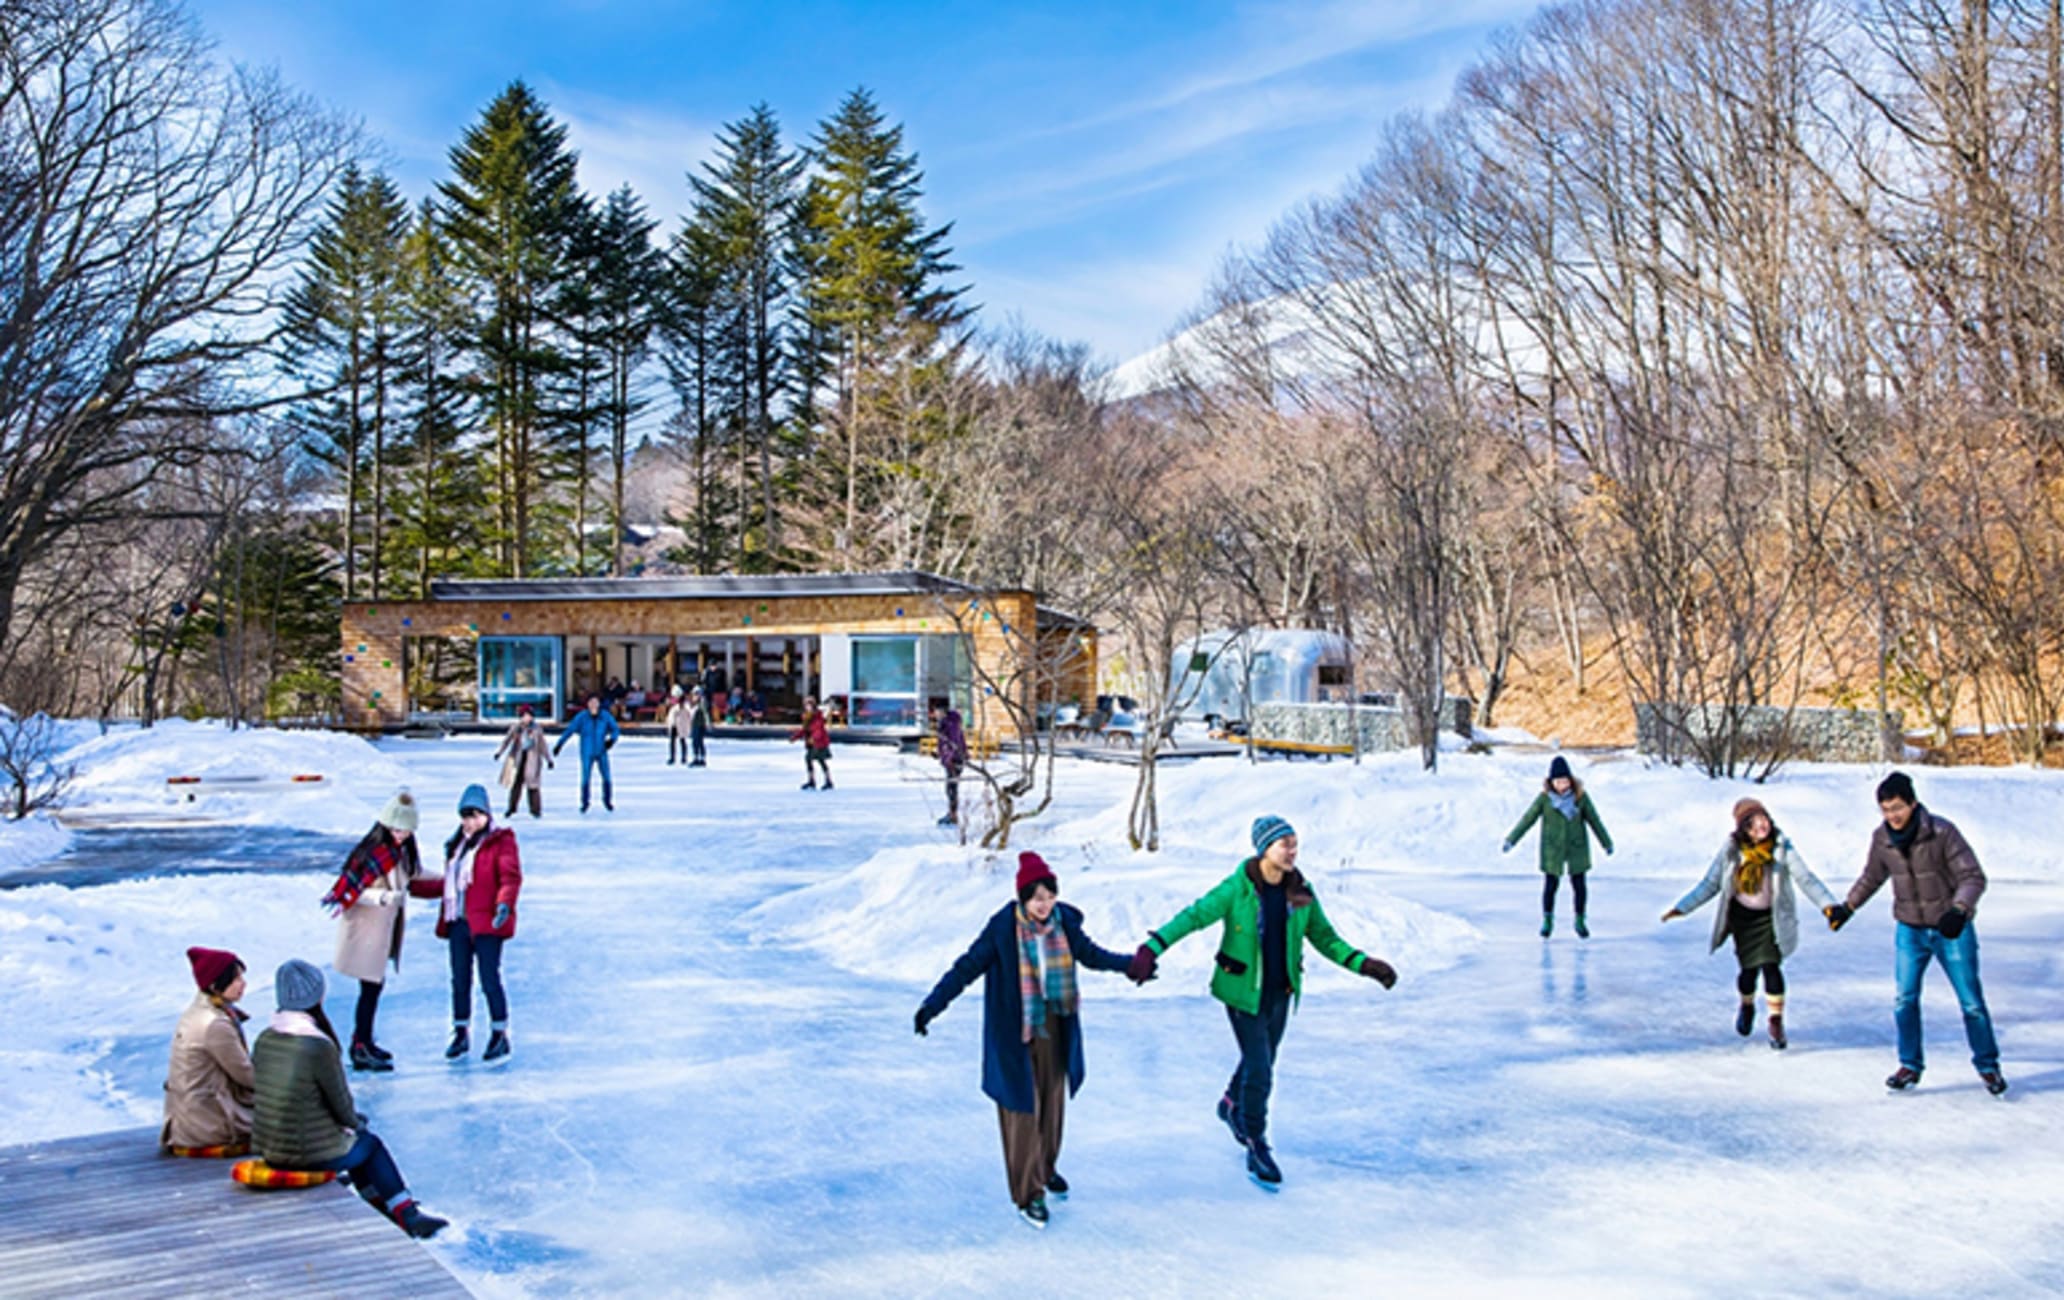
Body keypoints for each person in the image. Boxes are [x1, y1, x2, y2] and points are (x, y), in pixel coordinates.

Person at [1128, 816, 1396, 1189]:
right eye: (1284, 843)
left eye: (1295, 843)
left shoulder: (1301, 892)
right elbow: (1195, 916)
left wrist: (1364, 964)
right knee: (1261, 1067)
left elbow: (1325, 938)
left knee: (1261, 1060)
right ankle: (1256, 1142)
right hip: (1241, 993)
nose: (1292, 850)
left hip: (1281, 992)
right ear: (1264, 848)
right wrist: (1152, 948)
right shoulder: (1237, 889)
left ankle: (1229, 1103)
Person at [915, 852, 1136, 1229]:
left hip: (1055, 1022)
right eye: (1037, 898)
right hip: (1015, 1030)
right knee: (1021, 1110)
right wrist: (933, 1005)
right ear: (1022, 898)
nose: (1044, 905)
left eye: (1049, 896)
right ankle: (1028, 1192)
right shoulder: (1003, 929)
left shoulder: (1064, 923)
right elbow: (967, 967)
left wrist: (1131, 965)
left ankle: (1045, 1168)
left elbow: (1092, 956)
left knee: (1051, 1103)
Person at [1827, 771, 2006, 1095]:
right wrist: (1847, 907)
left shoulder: (1941, 832)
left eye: (1896, 807)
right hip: (1909, 929)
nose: (1892, 816)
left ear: (1912, 803)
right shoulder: (1882, 839)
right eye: (1885, 809)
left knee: (1972, 1004)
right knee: (1904, 999)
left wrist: (1959, 910)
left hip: (1950, 929)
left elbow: (1973, 876)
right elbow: (1871, 877)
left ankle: (1988, 1067)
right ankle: (1910, 1065)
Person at [251, 958, 447, 1238]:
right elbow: (342, 1107)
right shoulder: (316, 1045)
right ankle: (407, 1213)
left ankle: (380, 1206)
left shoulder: (264, 1038)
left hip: (270, 1147)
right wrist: (355, 1122)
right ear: (317, 996)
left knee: (353, 1141)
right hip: (305, 1152)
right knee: (369, 1143)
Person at [1662, 798, 1837, 1049]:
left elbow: (1805, 878)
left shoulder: (1781, 847)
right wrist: (1683, 907)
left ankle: (1776, 1022)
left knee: (1771, 966)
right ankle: (1747, 1005)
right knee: (1748, 973)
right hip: (1743, 920)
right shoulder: (1733, 851)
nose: (1760, 827)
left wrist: (1828, 906)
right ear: (1743, 828)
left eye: (1762, 820)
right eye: (1752, 823)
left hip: (1771, 919)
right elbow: (1710, 884)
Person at [412, 784, 522, 1064]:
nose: (469, 821)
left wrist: (504, 905)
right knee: (459, 980)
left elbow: (510, 878)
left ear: (486, 814)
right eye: (465, 815)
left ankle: (500, 1035)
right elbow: (449, 884)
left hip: (487, 923)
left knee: (488, 978)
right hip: (458, 922)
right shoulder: (456, 845)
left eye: (475, 815)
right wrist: (412, 887)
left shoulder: (501, 841)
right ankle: (461, 1032)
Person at [321, 791, 423, 1073]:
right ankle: (360, 1046)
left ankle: (364, 1041)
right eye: (397, 829)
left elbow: (415, 876)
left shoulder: (402, 851)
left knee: (373, 989)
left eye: (407, 830)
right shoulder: (372, 852)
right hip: (365, 932)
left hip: (382, 932)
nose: (402, 835)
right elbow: (351, 892)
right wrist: (381, 897)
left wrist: (451, 879)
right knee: (370, 989)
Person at [1503, 755, 1614, 938]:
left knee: (1579, 886)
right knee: (1550, 886)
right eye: (1558, 781)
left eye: (1564, 781)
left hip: (1577, 848)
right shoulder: (1545, 800)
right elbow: (1528, 819)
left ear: (1570, 780)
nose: (1562, 785)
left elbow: (1594, 820)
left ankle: (1580, 920)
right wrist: (1512, 839)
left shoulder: (1581, 798)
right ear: (1551, 782)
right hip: (1552, 849)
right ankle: (1547, 920)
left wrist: (1606, 843)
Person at [161, 946, 255, 1153]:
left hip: (187, 1122)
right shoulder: (215, 1024)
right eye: (235, 979)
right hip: (211, 1126)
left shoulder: (196, 1013)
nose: (243, 984)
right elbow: (248, 1077)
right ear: (215, 985)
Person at [553, 694, 621, 813]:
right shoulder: (582, 717)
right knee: (585, 778)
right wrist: (560, 744)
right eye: (591, 703)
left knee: (606, 777)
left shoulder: (605, 716)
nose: (594, 705)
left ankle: (607, 801)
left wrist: (612, 740)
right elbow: (570, 730)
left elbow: (615, 729)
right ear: (588, 704)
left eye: (596, 702)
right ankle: (585, 802)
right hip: (587, 752)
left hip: (601, 751)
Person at [495, 704, 553, 818]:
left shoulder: (536, 729)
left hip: (533, 760)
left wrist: (548, 759)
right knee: (515, 785)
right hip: (518, 759)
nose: (527, 718)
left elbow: (542, 745)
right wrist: (499, 752)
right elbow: (507, 741)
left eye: (529, 716)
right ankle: (512, 808)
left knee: (533, 786)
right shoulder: (516, 728)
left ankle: (535, 810)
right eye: (524, 716)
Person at [932, 704, 968, 827]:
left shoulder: (950, 723)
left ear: (943, 712)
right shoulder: (948, 723)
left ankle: (953, 815)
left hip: (955, 760)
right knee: (951, 788)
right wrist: (939, 754)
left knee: (951, 788)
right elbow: (945, 742)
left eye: (937, 711)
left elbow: (954, 742)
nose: (935, 715)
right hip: (953, 759)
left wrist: (950, 757)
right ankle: (952, 814)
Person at [790, 695, 833, 790]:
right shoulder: (807, 716)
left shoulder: (817, 716)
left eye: (809, 705)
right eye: (806, 705)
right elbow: (804, 730)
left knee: (819, 760)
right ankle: (812, 780)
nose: (807, 707)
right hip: (811, 743)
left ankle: (827, 781)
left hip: (819, 743)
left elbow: (819, 730)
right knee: (809, 759)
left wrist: (814, 738)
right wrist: (795, 737)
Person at [664, 685, 690, 766]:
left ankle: (683, 757)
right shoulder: (671, 702)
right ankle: (672, 757)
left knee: (682, 740)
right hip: (673, 723)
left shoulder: (684, 703)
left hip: (681, 723)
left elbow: (686, 712)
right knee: (672, 741)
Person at [688, 686, 711, 767]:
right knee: (695, 742)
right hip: (694, 724)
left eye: (697, 694)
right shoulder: (692, 703)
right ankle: (696, 757)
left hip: (700, 724)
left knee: (699, 741)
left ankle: (701, 758)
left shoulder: (702, 702)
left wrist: (708, 724)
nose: (695, 695)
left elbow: (705, 713)